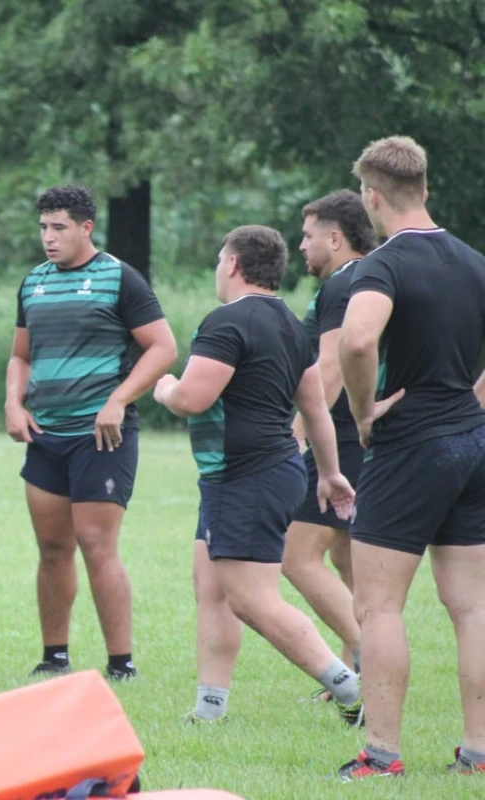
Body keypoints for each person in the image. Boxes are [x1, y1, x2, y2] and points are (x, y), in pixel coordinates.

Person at [153, 225, 362, 727]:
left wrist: (164, 386)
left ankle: (353, 690)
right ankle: (209, 708)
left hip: (245, 477)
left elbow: (190, 399)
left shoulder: (226, 322)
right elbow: (315, 409)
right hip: (258, 474)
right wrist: (329, 472)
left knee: (252, 599)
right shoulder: (292, 325)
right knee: (211, 586)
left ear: (232, 264)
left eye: (219, 260)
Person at [337, 135, 485, 780]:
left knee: (379, 607)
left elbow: (360, 336)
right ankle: (479, 753)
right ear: (424, 188)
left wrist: (365, 409)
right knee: (474, 606)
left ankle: (382, 755)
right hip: (473, 443)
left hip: (411, 446)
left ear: (371, 196)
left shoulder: (384, 265)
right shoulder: (475, 262)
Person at [5, 185, 177, 681]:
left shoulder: (120, 278)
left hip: (101, 437)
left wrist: (118, 401)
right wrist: (13, 402)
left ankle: (121, 663)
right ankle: (53, 655)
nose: (48, 238)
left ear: (86, 228)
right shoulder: (34, 282)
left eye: (58, 227)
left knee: (97, 543)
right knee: (52, 548)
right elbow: (20, 355)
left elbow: (163, 348)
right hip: (45, 434)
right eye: (42, 227)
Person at [285, 189, 378, 690]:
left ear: (336, 238)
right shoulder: (368, 278)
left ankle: (368, 659)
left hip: (340, 435)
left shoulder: (345, 284)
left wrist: (300, 433)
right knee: (347, 559)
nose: (301, 246)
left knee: (296, 556)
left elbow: (330, 365)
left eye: (308, 235)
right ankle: (358, 667)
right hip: (358, 435)